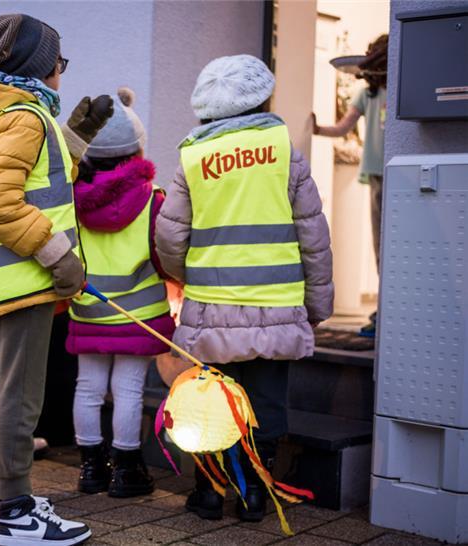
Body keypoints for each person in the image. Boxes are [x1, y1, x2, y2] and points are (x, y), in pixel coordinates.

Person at [0, 14, 113, 545]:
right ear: (39, 69)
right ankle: (16, 513)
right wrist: (59, 255)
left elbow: (39, 175)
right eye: (59, 63)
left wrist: (79, 135)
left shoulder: (6, 113)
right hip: (23, 273)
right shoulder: (22, 118)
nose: (62, 72)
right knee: (21, 396)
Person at [155, 54, 333, 522]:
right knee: (266, 402)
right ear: (260, 100)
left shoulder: (192, 157)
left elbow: (169, 236)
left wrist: (187, 277)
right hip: (275, 308)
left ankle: (209, 493)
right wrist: (317, 303)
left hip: (212, 308)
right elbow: (313, 237)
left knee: (208, 399)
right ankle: (256, 492)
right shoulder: (284, 151)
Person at [66, 87, 175, 498]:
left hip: (89, 308)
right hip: (139, 313)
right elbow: (165, 257)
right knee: (129, 390)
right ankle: (127, 473)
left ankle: (91, 469)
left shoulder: (71, 201)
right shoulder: (153, 200)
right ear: (136, 149)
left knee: (88, 387)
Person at [313, 34, 387, 336]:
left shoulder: (401, 90)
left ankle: (390, 309)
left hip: (400, 177)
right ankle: (384, 310)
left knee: (396, 247)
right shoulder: (365, 94)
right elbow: (344, 127)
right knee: (380, 246)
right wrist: (315, 128)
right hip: (377, 177)